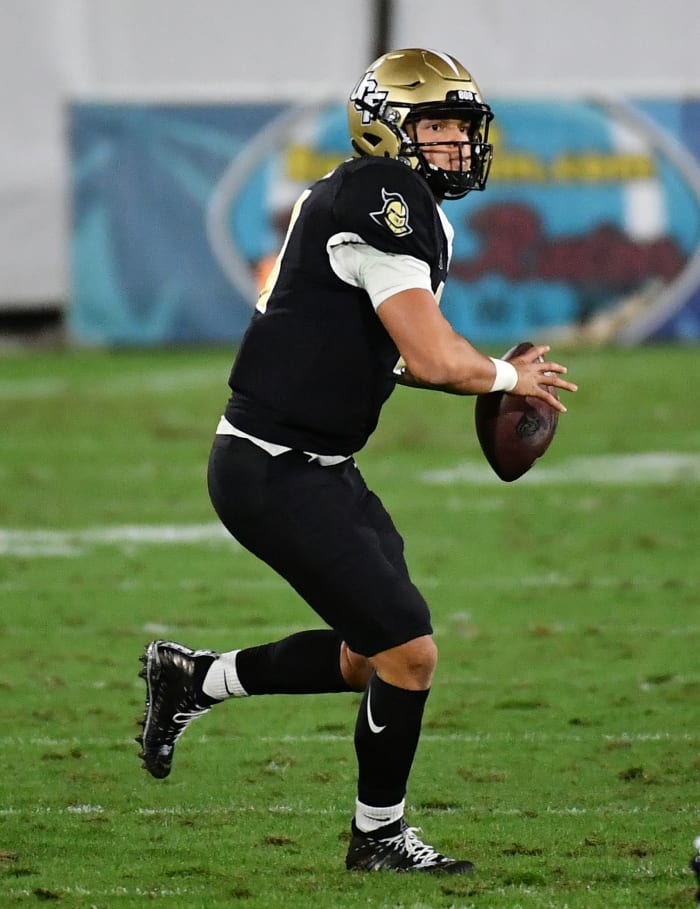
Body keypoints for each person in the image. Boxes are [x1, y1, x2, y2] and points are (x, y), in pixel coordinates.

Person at [136, 47, 578, 873]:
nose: (457, 142)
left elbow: (394, 352)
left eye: (462, 126)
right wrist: (507, 376)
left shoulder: (396, 202)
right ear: (385, 129)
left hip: (319, 465)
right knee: (409, 651)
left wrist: (478, 372)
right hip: (271, 466)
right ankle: (379, 835)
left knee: (368, 653)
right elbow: (433, 357)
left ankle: (196, 679)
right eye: (437, 125)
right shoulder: (382, 197)